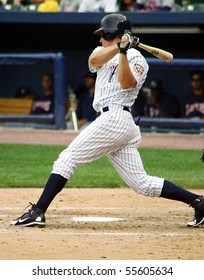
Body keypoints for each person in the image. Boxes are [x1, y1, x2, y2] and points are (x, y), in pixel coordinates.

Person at [11, 13, 204, 228]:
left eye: (103, 35)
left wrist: (124, 52)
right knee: (142, 184)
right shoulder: (100, 52)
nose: (100, 39)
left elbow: (126, 83)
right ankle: (198, 202)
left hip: (117, 117)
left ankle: (38, 211)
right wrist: (119, 47)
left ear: (112, 33)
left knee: (67, 159)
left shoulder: (138, 59)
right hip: (111, 121)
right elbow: (93, 61)